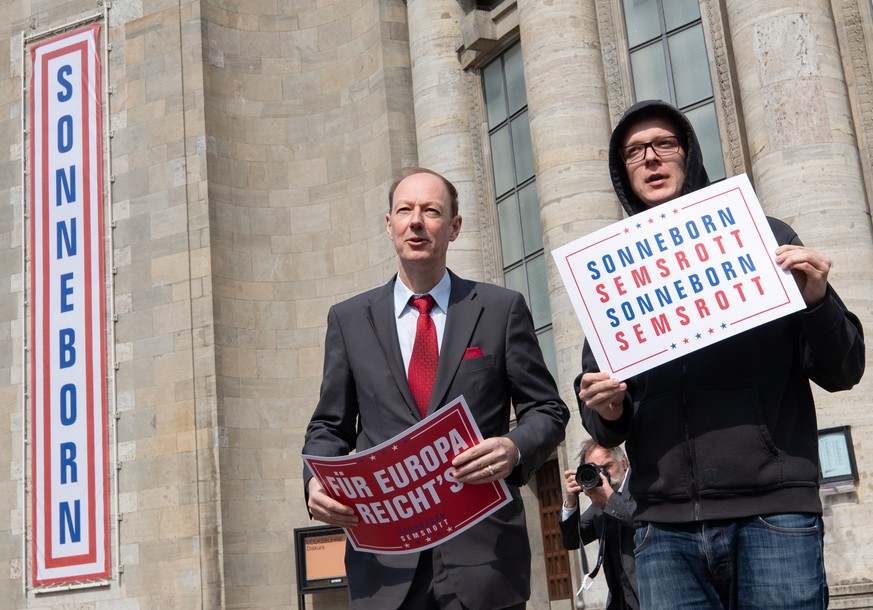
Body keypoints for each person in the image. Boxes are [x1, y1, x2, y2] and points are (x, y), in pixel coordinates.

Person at [576, 99, 865, 609]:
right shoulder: (610, 278)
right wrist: (607, 408)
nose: (650, 158)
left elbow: (845, 368)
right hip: (664, 532)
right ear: (623, 172)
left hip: (774, 516)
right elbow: (602, 423)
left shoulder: (765, 239)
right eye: (634, 151)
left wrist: (817, 301)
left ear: (688, 154)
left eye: (664, 144)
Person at [303, 167, 569, 610]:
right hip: (385, 567)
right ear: (389, 226)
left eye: (431, 211)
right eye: (404, 211)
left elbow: (548, 410)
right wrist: (316, 481)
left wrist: (513, 447)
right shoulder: (349, 321)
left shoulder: (501, 310)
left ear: (455, 227)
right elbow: (329, 427)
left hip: (485, 560)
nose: (416, 222)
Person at [560, 440, 638, 610]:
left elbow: (641, 521)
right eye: (596, 470)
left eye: (607, 466)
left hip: (649, 593)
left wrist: (610, 502)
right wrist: (571, 501)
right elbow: (571, 540)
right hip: (620, 600)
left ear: (623, 462)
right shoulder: (598, 505)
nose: (604, 475)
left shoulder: (641, 486)